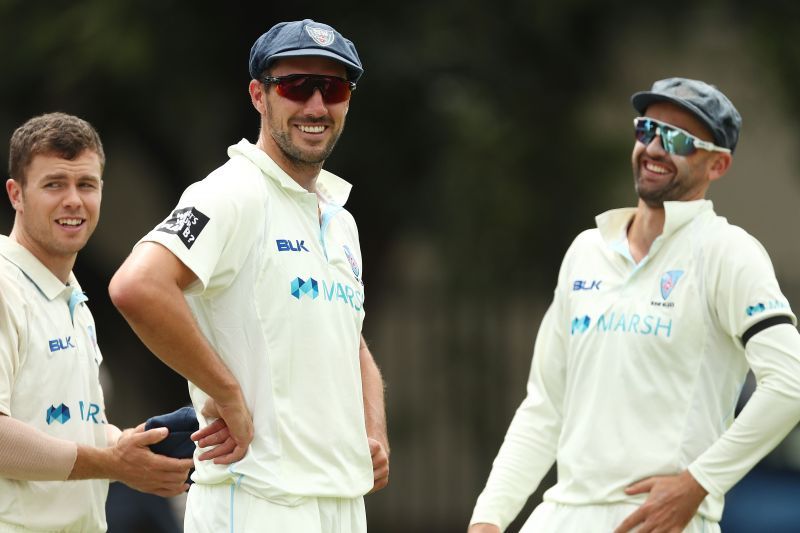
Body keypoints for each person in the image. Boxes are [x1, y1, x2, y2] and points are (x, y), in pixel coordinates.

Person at [468, 78, 800, 532]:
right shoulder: (587, 250)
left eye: (679, 140)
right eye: (647, 130)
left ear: (718, 165)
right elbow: (545, 407)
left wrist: (698, 484)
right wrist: (488, 518)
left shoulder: (728, 252)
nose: (655, 148)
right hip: (561, 516)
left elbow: (790, 383)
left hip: (658, 519)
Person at [108, 18, 389, 533]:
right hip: (258, 499)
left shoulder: (338, 217)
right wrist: (227, 393)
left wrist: (373, 427)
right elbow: (137, 286)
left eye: (333, 88)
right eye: (296, 86)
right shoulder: (232, 191)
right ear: (259, 95)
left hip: (342, 503)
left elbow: (351, 337)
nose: (316, 106)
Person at [0, 112, 194, 532]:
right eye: (54, 184)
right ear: (16, 194)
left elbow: (66, 425)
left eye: (86, 184)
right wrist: (114, 463)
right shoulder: (3, 285)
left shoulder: (71, 297)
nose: (73, 200)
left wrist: (130, 445)